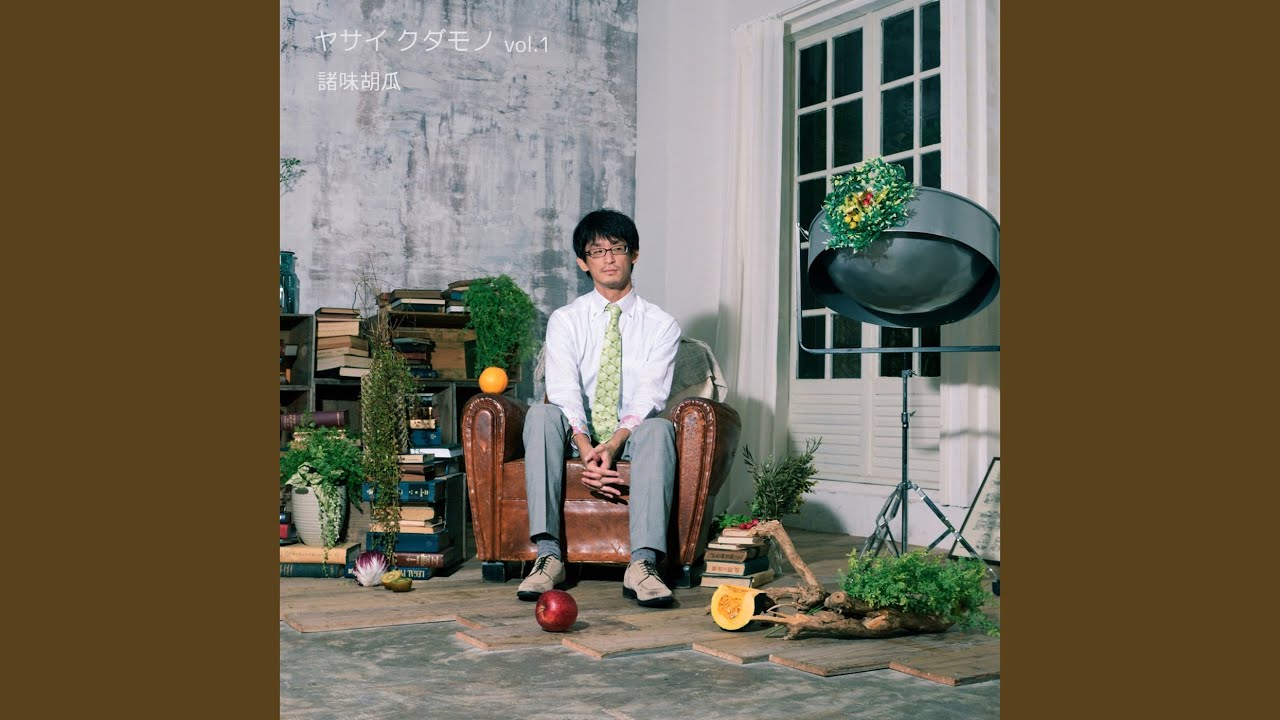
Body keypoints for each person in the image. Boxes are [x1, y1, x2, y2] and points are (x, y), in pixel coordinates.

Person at [516, 209, 682, 608]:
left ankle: (643, 564)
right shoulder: (565, 320)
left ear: (634, 254)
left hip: (631, 435)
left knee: (660, 428)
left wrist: (613, 444)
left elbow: (650, 396)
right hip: (578, 433)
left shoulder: (662, 325)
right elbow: (562, 389)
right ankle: (548, 557)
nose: (608, 259)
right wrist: (586, 445)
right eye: (597, 251)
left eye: (617, 248)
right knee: (541, 414)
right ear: (582, 262)